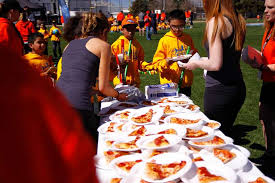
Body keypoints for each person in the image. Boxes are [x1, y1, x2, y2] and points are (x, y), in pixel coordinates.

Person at [0, 46, 99, 183]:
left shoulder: (41, 62)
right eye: (38, 43)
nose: (41, 45)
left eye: (42, 42)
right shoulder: (19, 69)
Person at [56, 12, 127, 142]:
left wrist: (96, 91)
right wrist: (119, 95)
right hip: (79, 107)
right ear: (104, 31)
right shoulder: (103, 46)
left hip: (57, 101)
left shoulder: (69, 45)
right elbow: (104, 87)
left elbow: (74, 79)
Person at [183, 0, 247, 136]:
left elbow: (215, 64)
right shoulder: (238, 20)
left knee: (213, 138)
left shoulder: (216, 22)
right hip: (237, 88)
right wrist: (204, 59)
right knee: (226, 135)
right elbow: (226, 58)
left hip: (219, 90)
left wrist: (196, 63)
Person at [242, 0, 275, 177]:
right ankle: (270, 153)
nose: (265, 11)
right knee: (264, 118)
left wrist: (263, 67)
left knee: (270, 119)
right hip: (267, 81)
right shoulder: (269, 29)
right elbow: (267, 55)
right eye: (265, 7)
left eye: (270, 7)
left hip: (272, 81)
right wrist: (255, 57)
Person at [144, 9, 197, 97]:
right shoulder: (164, 41)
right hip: (169, 84)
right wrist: (166, 62)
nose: (177, 30)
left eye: (180, 26)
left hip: (185, 83)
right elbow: (156, 63)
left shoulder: (188, 38)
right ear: (169, 24)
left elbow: (194, 53)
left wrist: (192, 59)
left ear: (184, 23)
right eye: (174, 26)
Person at [111, 17, 146, 87]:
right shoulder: (117, 44)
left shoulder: (137, 45)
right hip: (121, 81)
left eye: (133, 29)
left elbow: (140, 62)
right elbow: (110, 63)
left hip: (134, 82)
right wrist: (120, 60)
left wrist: (149, 66)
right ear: (122, 30)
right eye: (128, 29)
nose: (131, 32)